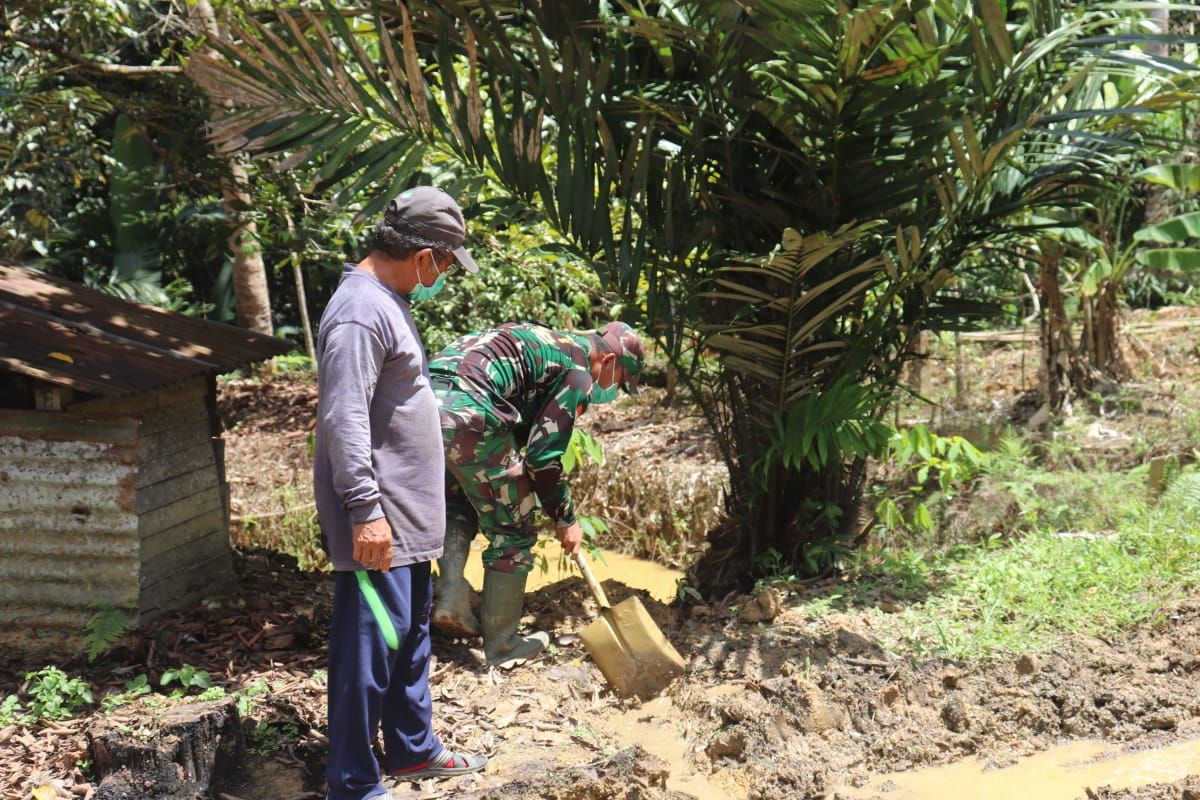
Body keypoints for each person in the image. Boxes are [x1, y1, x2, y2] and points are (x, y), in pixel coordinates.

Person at [312, 186, 487, 800]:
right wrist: (365, 511)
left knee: (408, 638)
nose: (443, 275)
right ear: (422, 255)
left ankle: (414, 751)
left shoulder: (387, 300)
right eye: (444, 263)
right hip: (378, 520)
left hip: (405, 521)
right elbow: (344, 418)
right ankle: (354, 784)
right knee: (367, 654)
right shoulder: (360, 311)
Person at [427, 320, 645, 667]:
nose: (612, 393)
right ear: (608, 361)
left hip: (422, 402)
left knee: (459, 497)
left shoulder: (548, 341)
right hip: (471, 410)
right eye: (618, 382)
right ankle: (502, 646)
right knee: (514, 530)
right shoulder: (579, 373)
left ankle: (452, 596)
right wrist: (565, 517)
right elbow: (543, 458)